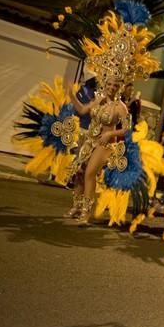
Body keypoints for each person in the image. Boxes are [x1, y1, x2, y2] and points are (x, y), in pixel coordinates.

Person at [65, 79, 129, 225]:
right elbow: (82, 110)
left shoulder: (121, 107)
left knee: (89, 174)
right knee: (80, 173)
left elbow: (127, 128)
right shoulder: (98, 100)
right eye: (109, 84)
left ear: (119, 88)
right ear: (104, 85)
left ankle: (85, 212)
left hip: (104, 144)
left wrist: (109, 134)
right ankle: (76, 206)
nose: (111, 87)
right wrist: (71, 95)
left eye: (115, 85)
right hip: (89, 140)